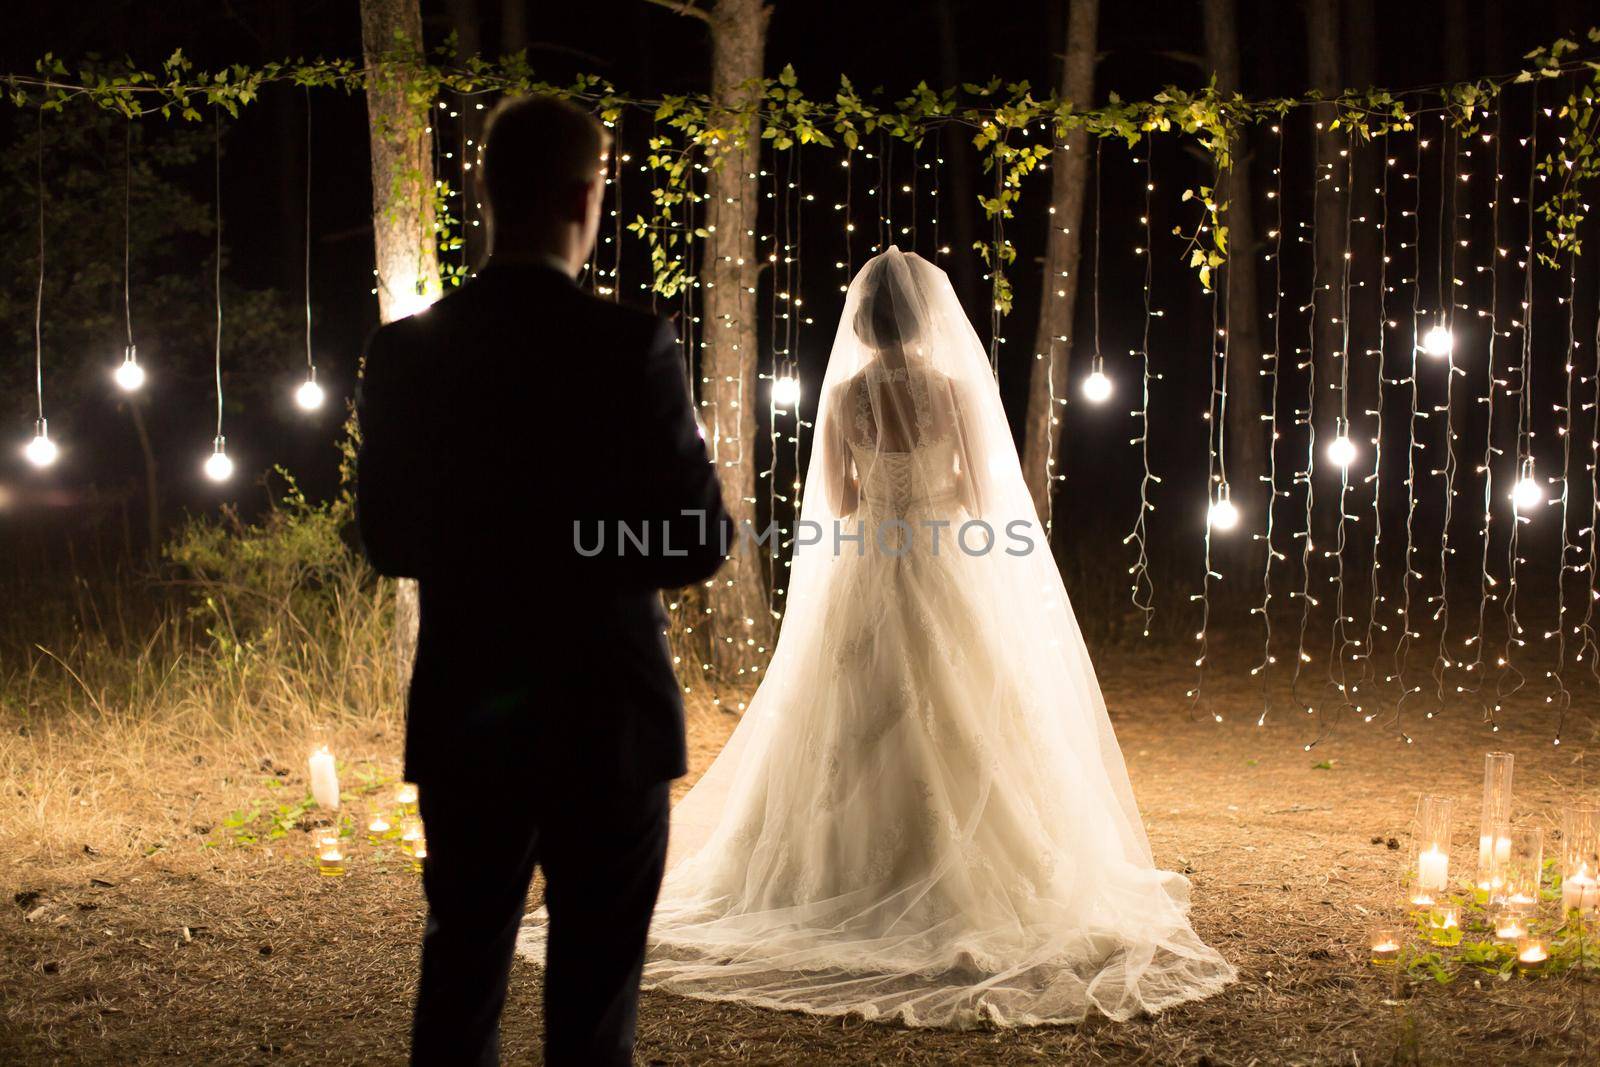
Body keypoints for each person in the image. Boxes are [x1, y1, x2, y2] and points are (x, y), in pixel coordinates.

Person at [547, 247, 1237, 1027]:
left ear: (864, 329)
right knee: (966, 700)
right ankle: (961, 865)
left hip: (871, 561)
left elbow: (840, 500)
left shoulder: (846, 395)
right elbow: (981, 491)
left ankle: (840, 871)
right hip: (944, 553)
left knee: (852, 708)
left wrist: (886, 495)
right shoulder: (950, 390)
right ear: (924, 320)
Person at [356, 94, 729, 1066]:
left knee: (461, 979)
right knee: (594, 1005)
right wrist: (592, 542)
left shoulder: (405, 351)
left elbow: (390, 537)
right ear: (583, 193)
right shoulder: (628, 345)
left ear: (484, 191)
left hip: (469, 707)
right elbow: (697, 541)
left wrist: (506, 541)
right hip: (605, 712)